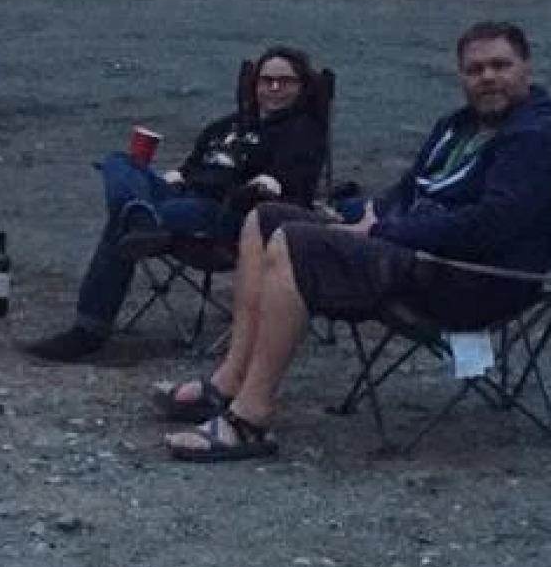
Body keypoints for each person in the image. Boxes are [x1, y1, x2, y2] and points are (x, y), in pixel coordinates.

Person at [156, 21, 551, 462]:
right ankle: (228, 382)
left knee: (296, 244)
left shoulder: (534, 137)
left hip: (473, 278)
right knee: (264, 219)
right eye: (475, 69)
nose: (487, 77)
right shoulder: (459, 124)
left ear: (526, 68)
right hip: (419, 253)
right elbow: (411, 189)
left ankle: (250, 419)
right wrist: (369, 215)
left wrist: (382, 231)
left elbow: (489, 226)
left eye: (500, 66)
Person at [24, 47, 328, 362]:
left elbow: (294, 192)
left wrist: (259, 188)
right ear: (254, 85)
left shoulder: (302, 132)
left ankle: (89, 330)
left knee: (126, 220)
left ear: (301, 87)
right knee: (118, 162)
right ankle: (141, 215)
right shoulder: (226, 126)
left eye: (285, 82)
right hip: (183, 198)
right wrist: (176, 177)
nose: (274, 88)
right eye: (266, 81)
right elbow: (190, 167)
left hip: (225, 213)